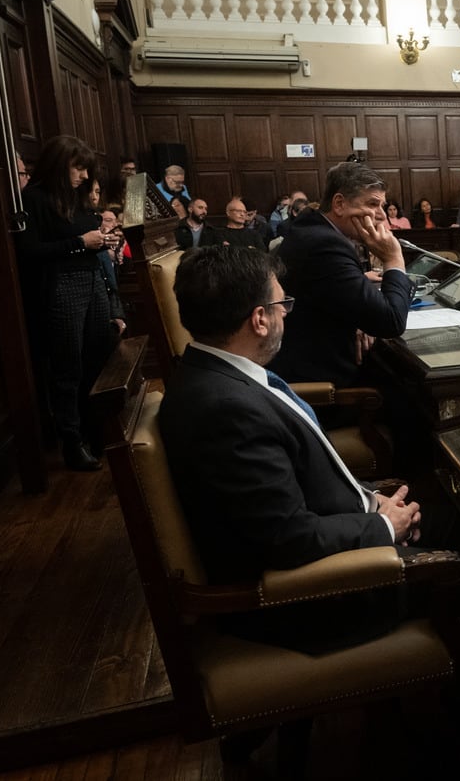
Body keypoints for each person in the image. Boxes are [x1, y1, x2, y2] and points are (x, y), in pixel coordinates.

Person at [158, 246, 423, 653]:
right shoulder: (226, 410)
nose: (287, 313)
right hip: (316, 600)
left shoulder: (215, 371)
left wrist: (374, 504)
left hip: (339, 533)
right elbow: (288, 537)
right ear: (259, 319)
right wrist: (385, 526)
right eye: (283, 304)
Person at [15, 134, 125, 471]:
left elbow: (89, 240)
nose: (83, 177)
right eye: (79, 169)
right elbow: (29, 252)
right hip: (61, 287)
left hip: (92, 281)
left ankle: (98, 431)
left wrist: (101, 241)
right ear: (59, 165)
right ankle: (72, 441)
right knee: (68, 367)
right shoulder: (33, 198)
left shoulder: (76, 199)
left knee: (99, 359)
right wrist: (80, 242)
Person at [271, 161, 412, 388]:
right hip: (322, 383)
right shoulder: (326, 244)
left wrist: (359, 313)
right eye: (373, 204)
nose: (381, 217)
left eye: (382, 206)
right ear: (339, 204)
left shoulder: (311, 228)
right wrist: (393, 259)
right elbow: (391, 322)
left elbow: (326, 291)